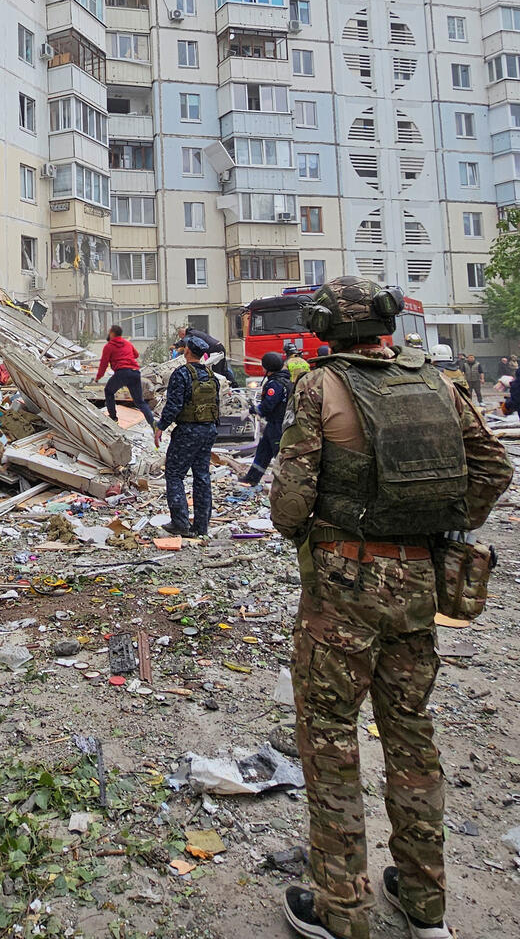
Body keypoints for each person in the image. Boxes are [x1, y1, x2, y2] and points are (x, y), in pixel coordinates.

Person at [269, 276, 511, 939]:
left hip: (341, 589)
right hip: (417, 589)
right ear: (384, 323)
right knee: (411, 735)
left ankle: (341, 909)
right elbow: (492, 469)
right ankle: (424, 898)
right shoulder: (441, 383)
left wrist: (321, 532)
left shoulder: (319, 389)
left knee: (329, 737)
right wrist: (434, 523)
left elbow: (290, 501)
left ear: (324, 326)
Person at [155, 334, 220, 537]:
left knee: (174, 474)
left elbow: (174, 405)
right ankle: (201, 526)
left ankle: (180, 522)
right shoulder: (211, 376)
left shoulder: (181, 374)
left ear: (188, 351)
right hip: (208, 430)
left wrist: (161, 427)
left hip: (188, 431)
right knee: (202, 476)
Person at [242, 351, 291, 487]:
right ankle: (251, 478)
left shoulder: (275, 384)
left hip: (277, 425)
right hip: (274, 424)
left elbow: (268, 405)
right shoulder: (284, 380)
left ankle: (287, 483)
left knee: (279, 454)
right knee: (263, 452)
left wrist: (253, 410)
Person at [96, 324, 155, 429]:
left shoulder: (109, 346)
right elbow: (136, 355)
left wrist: (98, 377)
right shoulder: (127, 343)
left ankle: (113, 418)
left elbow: (103, 363)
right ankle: (153, 424)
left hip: (122, 372)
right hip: (135, 372)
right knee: (139, 402)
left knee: (109, 391)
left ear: (112, 334)